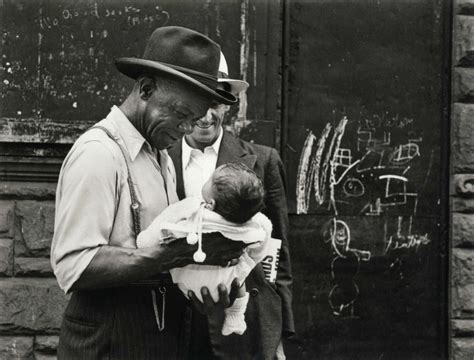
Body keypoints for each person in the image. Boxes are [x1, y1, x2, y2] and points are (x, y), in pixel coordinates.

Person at [50, 26, 248, 359]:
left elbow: (157, 251)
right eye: (181, 115)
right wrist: (177, 254)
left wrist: (205, 282)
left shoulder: (158, 155)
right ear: (145, 88)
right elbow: (74, 264)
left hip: (155, 336)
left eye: (194, 119)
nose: (186, 129)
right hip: (108, 338)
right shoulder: (99, 153)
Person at [168, 52, 295, 359]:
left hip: (241, 323)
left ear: (227, 103)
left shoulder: (262, 161)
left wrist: (276, 332)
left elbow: (279, 255)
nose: (205, 115)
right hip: (174, 322)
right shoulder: (160, 159)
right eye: (197, 103)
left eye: (214, 104)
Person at [137, 162, 275, 337]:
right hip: (227, 282)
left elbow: (159, 227)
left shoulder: (193, 207)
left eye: (210, 180)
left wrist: (144, 241)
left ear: (211, 203)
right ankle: (236, 315)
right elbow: (267, 232)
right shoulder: (252, 220)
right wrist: (248, 263)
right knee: (240, 280)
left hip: (185, 281)